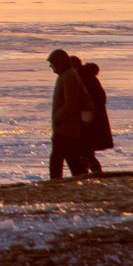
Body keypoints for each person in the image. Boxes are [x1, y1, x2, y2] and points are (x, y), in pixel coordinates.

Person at [46, 48, 89, 180]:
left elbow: (71, 103)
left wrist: (59, 117)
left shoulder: (69, 77)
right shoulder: (67, 75)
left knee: (58, 158)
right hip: (67, 127)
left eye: (53, 64)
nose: (52, 67)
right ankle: (81, 178)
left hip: (66, 127)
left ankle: (55, 182)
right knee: (71, 157)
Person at [74, 57, 112, 175]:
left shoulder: (82, 79)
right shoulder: (89, 78)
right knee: (85, 152)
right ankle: (86, 173)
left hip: (89, 122)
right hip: (93, 122)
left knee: (85, 152)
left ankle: (92, 174)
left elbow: (88, 102)